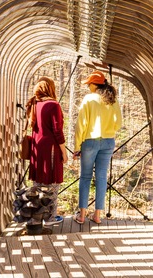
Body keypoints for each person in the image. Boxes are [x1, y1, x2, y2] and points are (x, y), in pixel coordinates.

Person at [73, 70, 122, 224]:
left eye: (89, 84)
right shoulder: (112, 99)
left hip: (90, 141)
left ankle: (81, 216)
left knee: (86, 177)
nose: (88, 87)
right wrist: (109, 131)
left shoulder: (89, 99)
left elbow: (81, 124)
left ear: (94, 84)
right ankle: (97, 216)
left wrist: (77, 146)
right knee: (101, 177)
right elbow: (119, 123)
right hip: (108, 141)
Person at [25, 77, 68, 224]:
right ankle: (50, 217)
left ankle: (35, 216)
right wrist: (64, 151)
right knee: (53, 183)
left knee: (38, 182)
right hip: (51, 148)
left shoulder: (35, 104)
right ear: (51, 88)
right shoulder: (53, 105)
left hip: (37, 148)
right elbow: (57, 131)